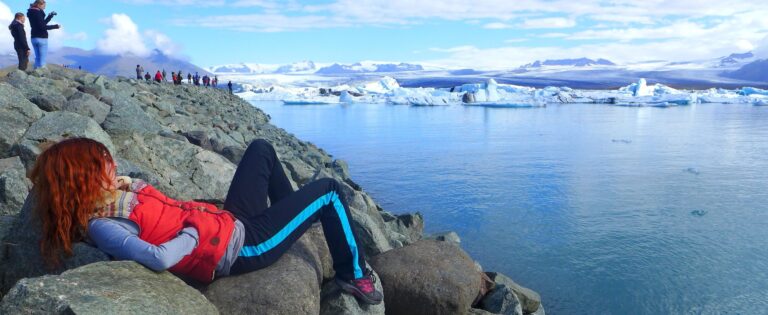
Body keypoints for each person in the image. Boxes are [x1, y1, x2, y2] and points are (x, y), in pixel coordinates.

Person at [29, 138, 383, 305]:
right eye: (105, 162)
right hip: (241, 246)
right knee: (330, 191)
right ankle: (353, 276)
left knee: (261, 148)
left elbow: (156, 208)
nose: (113, 165)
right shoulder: (103, 226)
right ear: (85, 177)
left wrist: (132, 185)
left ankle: (290, 215)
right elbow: (159, 258)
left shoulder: (113, 195)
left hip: (226, 223)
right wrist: (194, 233)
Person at [27, 0, 60, 69]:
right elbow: (43, 27)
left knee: (37, 57)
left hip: (34, 37)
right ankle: (42, 73)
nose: (44, 8)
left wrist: (50, 16)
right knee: (42, 58)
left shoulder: (31, 12)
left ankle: (35, 71)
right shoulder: (38, 13)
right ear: (39, 5)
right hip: (41, 37)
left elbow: (42, 23)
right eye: (44, 6)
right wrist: (55, 26)